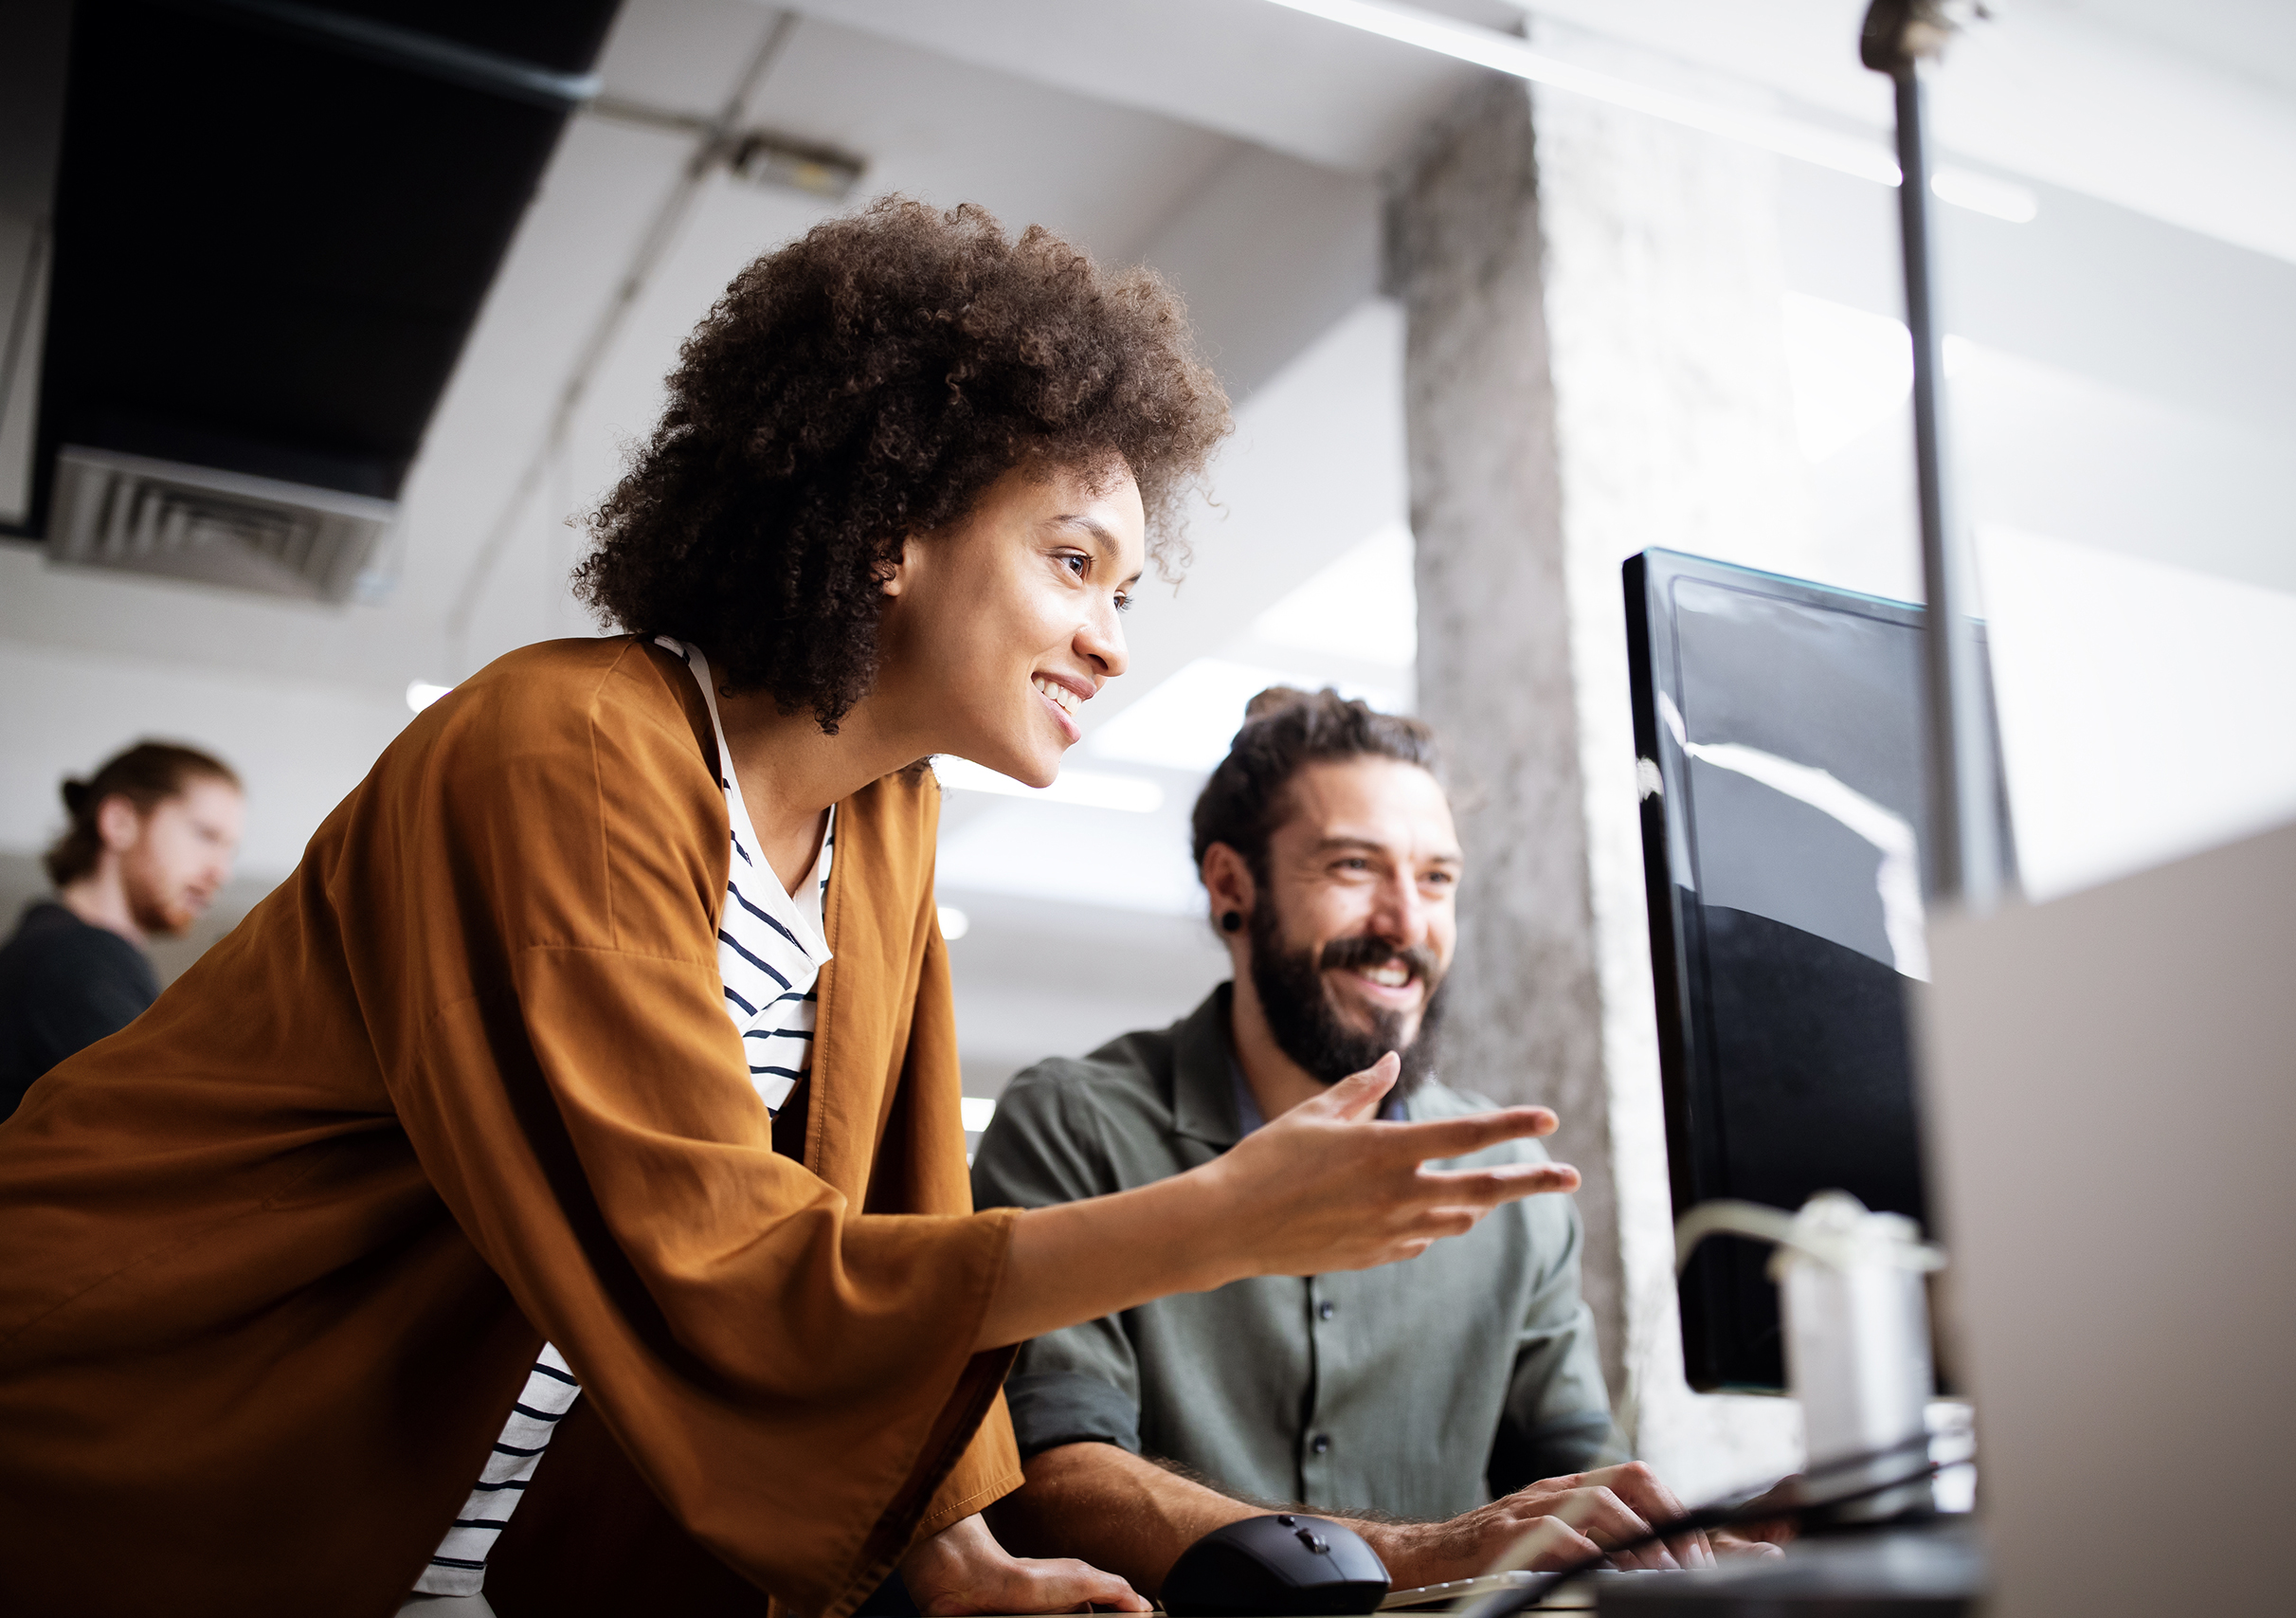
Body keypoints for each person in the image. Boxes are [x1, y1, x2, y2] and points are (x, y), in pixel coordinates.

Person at [0, 199, 1583, 1618]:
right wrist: (1217, 1218)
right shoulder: (565, 751)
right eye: (1073, 560)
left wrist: (967, 1562)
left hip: (428, 1519)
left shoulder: (881, 821)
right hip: (140, 1440)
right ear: (892, 528)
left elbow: (887, 1209)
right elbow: (724, 1261)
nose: (1109, 641)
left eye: (1124, 591)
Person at [976, 689, 1771, 1595]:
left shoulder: (1512, 1188)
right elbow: (1048, 1477)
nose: (1405, 924)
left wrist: (1725, 1535)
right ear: (1232, 886)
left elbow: (1582, 1488)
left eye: (1436, 879)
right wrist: (1413, 1554)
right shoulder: (1076, 1126)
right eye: (1355, 867)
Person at [0, 740, 244, 1118]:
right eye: (205, 835)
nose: (221, 873)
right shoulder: (78, 955)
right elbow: (166, 1128)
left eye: (230, 851)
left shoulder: (55, 944)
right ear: (119, 822)